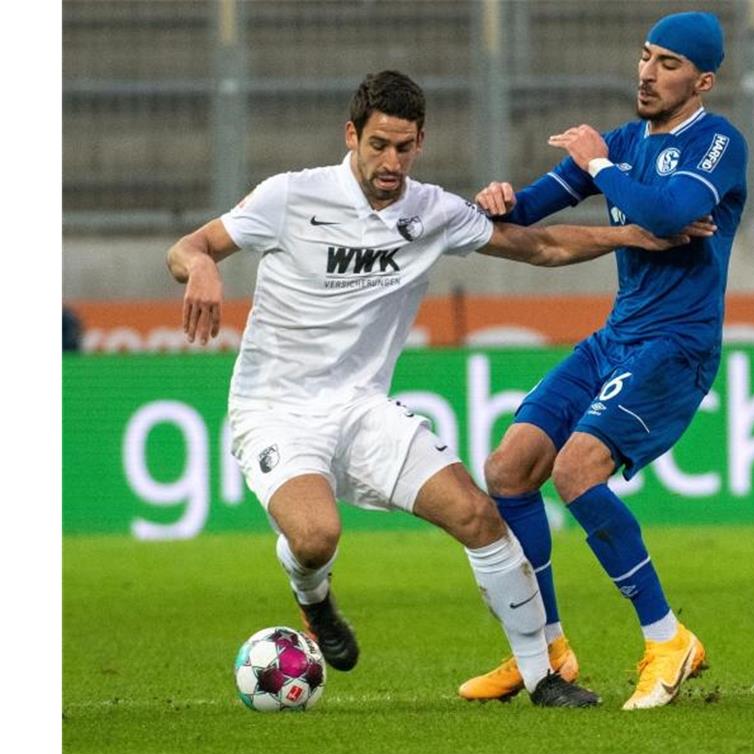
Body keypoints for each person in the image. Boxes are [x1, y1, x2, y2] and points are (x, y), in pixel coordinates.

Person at [165, 70, 712, 708]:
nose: (390, 162)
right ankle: (313, 597)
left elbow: (537, 247)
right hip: (275, 411)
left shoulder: (431, 211)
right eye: (378, 146)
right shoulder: (290, 196)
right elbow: (191, 245)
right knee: (316, 537)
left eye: (403, 147)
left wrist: (630, 235)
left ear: (420, 142)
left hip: (364, 410)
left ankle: (543, 677)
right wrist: (202, 266)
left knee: (480, 516)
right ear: (352, 136)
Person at [458, 11, 747, 710]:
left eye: (669, 63)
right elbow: (528, 209)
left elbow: (667, 214)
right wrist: (499, 200)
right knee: (509, 469)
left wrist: (598, 165)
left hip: (675, 346)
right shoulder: (622, 144)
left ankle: (667, 638)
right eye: (646, 55)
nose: (648, 72)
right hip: (616, 337)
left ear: (702, 79)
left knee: (575, 468)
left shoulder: (717, 142)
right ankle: (547, 650)